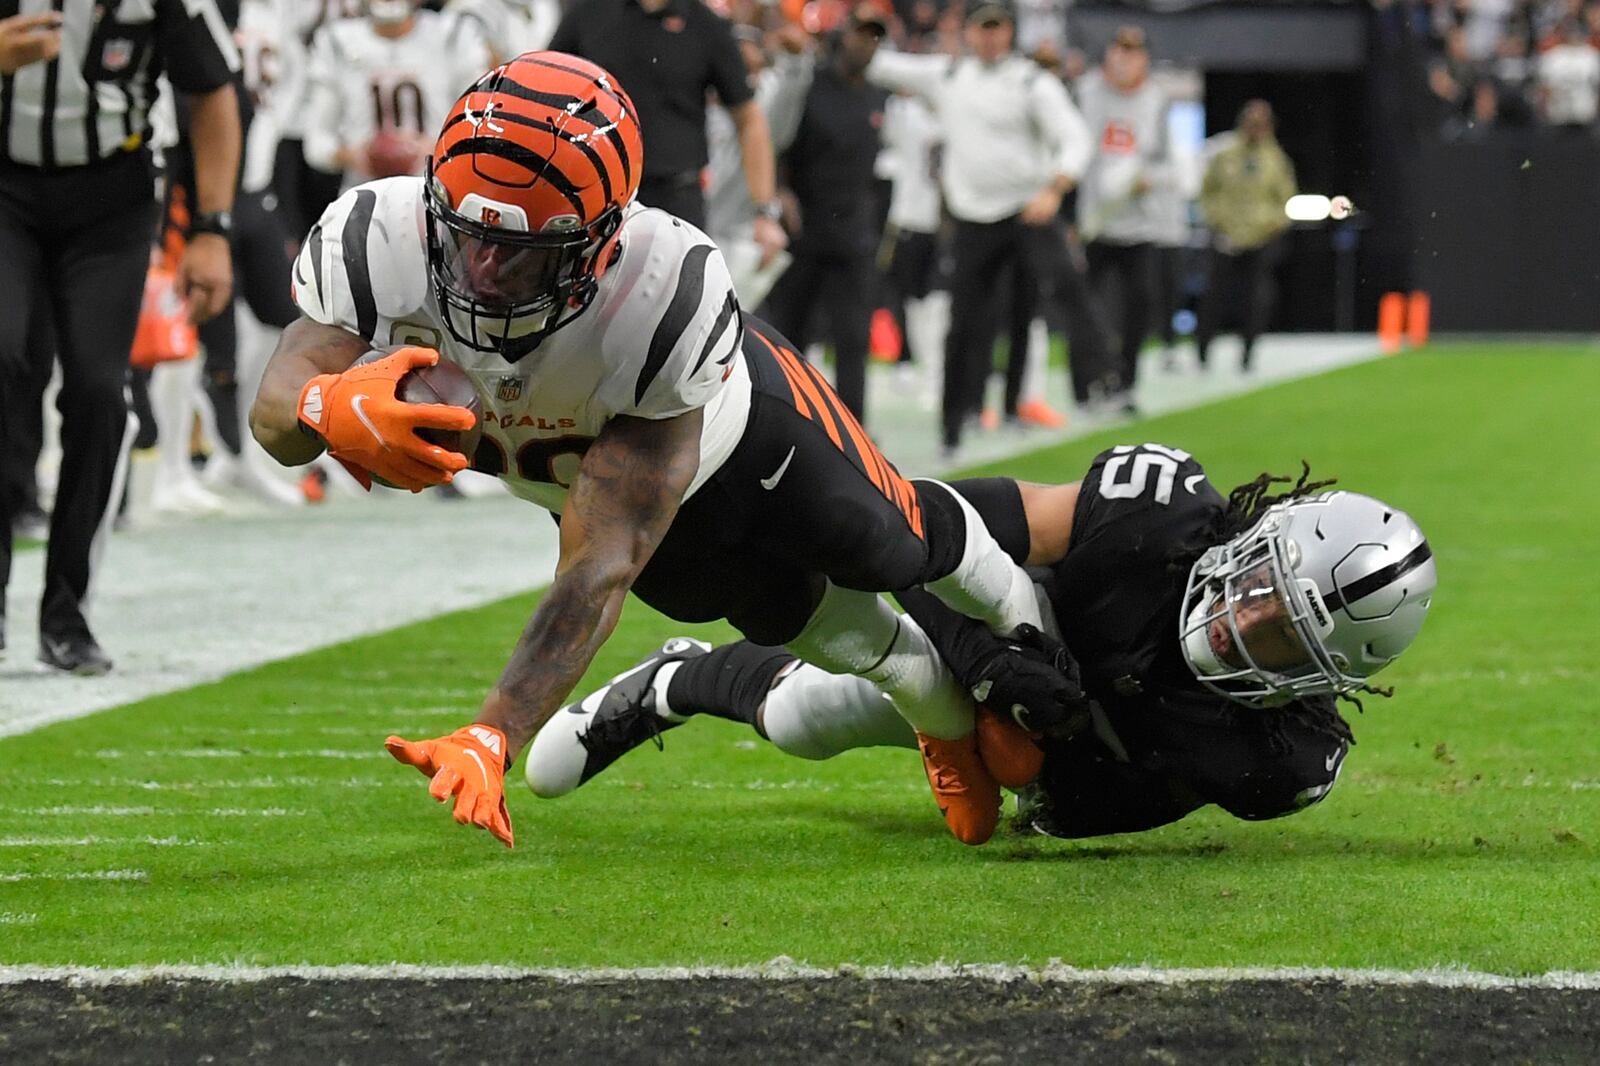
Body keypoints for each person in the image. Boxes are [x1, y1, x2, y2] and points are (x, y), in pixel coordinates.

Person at [249, 52, 1048, 848]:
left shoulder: (661, 291)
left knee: (883, 539)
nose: (485, 273)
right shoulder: (375, 236)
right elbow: (276, 412)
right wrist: (327, 404)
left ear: (601, 242)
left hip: (745, 432)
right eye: (467, 237)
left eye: (523, 251)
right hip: (613, 499)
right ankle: (936, 717)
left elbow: (602, 561)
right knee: (802, 623)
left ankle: (1020, 616)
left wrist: (495, 730)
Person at [526, 444, 1437, 845]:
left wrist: (1048, 778)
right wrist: (986, 650)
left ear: (1317, 682)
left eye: (1280, 641)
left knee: (988, 758)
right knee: (810, 716)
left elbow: (1126, 798)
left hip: (1074, 742)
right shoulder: (1151, 520)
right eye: (1256, 591)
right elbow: (925, 522)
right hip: (1008, 618)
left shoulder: (1281, 761)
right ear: (1251, 540)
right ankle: (677, 680)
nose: (1243, 623)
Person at [0, 2, 241, 672]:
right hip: (5, 185)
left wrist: (213, 229)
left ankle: (67, 613)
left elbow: (213, 90)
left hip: (113, 196)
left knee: (102, 395)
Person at [864, 0, 1097, 458]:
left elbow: (1076, 138)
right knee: (964, 323)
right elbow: (880, 64)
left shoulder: (1032, 81)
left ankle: (1093, 385)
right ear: (970, 32)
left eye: (997, 28)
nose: (989, 37)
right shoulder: (948, 77)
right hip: (971, 219)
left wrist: (1055, 187)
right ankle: (954, 422)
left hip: (1027, 213)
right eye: (981, 28)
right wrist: (863, 26)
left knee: (1058, 292)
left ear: (1009, 32)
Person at [548, 0, 787, 273]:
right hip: (593, 194)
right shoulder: (590, 11)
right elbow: (547, 82)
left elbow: (748, 118)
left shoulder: (706, 25)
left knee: (676, 305)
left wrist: (765, 213)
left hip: (674, 203)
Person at [758, 6, 889, 421]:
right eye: (860, 34)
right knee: (791, 340)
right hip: (806, 232)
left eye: (874, 37)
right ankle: (788, 425)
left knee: (852, 343)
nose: (865, 44)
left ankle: (856, 439)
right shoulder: (808, 85)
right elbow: (775, 142)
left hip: (854, 235)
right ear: (842, 34)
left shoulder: (875, 95)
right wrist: (779, 191)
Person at [301, 0, 492, 187]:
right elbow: (316, 145)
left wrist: (432, 151)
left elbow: (479, 131)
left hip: (439, 188)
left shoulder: (454, 34)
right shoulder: (336, 41)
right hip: (364, 192)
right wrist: (356, 156)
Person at [1076, 26, 1168, 410]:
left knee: (1139, 305)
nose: (1126, 58)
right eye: (1121, 49)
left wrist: (1149, 179)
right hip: (1093, 222)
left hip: (1138, 223)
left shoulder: (1156, 99)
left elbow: (1164, 159)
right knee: (1084, 307)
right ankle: (1086, 387)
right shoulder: (1085, 92)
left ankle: (1125, 382)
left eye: (1134, 50)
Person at [1195, 100, 1295, 372]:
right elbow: (1207, 192)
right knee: (1213, 298)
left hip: (1259, 239)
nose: (1255, 129)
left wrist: (1271, 225)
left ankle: (1248, 355)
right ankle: (1202, 353)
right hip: (1225, 236)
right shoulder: (1224, 155)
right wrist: (1217, 221)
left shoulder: (1275, 160)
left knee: (1255, 301)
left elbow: (1285, 199)